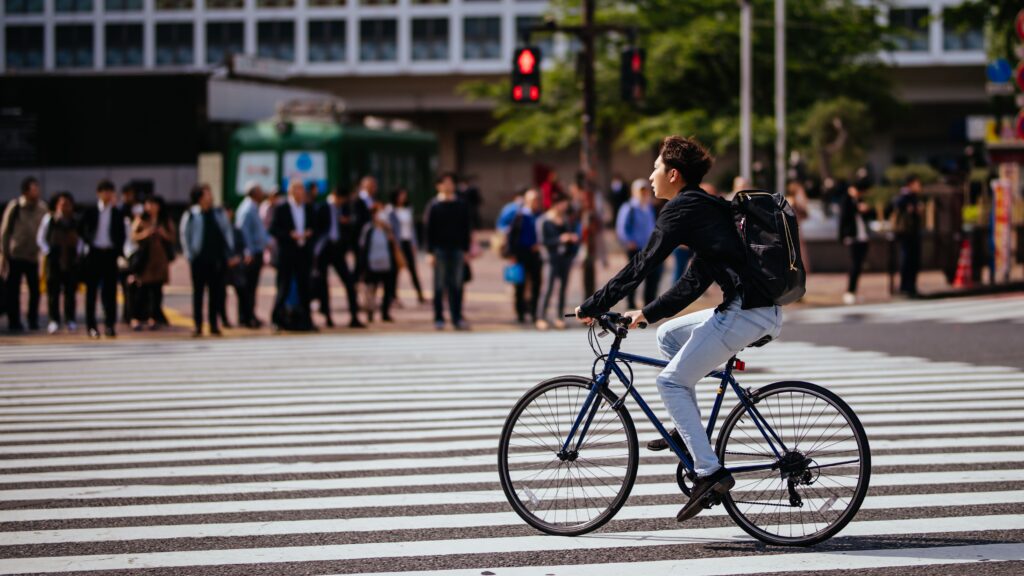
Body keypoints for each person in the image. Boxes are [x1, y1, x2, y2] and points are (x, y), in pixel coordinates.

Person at [575, 136, 782, 522]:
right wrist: (646, 313)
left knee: (669, 383)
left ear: (673, 174)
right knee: (668, 336)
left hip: (747, 312)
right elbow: (694, 282)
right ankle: (689, 431)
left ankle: (709, 472)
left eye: (655, 168)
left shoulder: (683, 208)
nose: (650, 175)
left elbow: (643, 263)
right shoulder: (704, 208)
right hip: (753, 308)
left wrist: (595, 304)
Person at [180, 184, 235, 337]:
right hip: (198, 259)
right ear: (199, 198)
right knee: (198, 292)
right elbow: (185, 235)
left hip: (216, 259)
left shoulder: (218, 213)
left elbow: (227, 231)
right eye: (206, 194)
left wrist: (229, 252)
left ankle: (213, 324)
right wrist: (189, 255)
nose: (210, 197)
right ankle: (198, 324)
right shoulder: (192, 214)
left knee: (215, 292)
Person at [424, 172, 472, 330]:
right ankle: (438, 318)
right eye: (444, 183)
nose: (448, 186)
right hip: (439, 250)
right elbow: (428, 230)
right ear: (438, 186)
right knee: (439, 285)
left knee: (457, 285)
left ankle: (457, 317)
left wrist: (466, 250)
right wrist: (429, 252)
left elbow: (466, 228)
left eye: (450, 183)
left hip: (457, 249)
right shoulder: (434, 205)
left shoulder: (461, 204)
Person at [80, 180, 126, 338]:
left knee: (110, 292)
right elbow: (81, 230)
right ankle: (91, 326)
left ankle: (109, 325)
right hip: (94, 253)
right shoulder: (91, 211)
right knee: (91, 292)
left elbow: (121, 235)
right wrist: (88, 242)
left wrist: (119, 253)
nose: (108, 195)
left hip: (110, 254)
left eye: (110, 192)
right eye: (105, 191)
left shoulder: (117, 213)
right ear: (99, 193)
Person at [313, 186, 365, 328]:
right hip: (324, 250)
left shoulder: (344, 208)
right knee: (323, 284)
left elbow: (352, 226)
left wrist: (346, 223)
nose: (342, 202)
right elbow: (316, 228)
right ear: (335, 195)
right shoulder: (322, 207)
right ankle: (327, 317)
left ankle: (354, 316)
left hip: (338, 249)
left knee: (349, 282)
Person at [0, 176, 47, 333]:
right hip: (16, 255)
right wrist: (4, 253)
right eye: (34, 189)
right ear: (26, 191)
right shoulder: (15, 207)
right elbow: (5, 231)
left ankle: (33, 320)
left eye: (37, 189)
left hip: (33, 255)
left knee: (35, 290)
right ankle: (14, 321)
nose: (37, 192)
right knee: (13, 290)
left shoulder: (42, 208)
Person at [270, 179, 315, 331]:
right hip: (287, 253)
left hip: (303, 252)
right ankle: (276, 319)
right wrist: (290, 235)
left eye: (301, 190)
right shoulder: (282, 208)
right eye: (296, 190)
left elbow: (316, 226)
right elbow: (273, 229)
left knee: (305, 288)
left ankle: (307, 320)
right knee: (283, 287)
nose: (300, 193)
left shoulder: (308, 208)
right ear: (290, 192)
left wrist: (309, 233)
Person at [37, 191, 82, 334]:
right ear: (57, 205)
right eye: (62, 204)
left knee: (70, 292)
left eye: (67, 204)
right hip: (54, 259)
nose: (65, 207)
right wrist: (48, 251)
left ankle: (70, 319)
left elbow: (81, 239)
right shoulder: (49, 219)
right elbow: (41, 238)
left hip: (71, 259)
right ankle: (54, 320)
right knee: (53, 291)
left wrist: (78, 252)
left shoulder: (75, 220)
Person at [129, 195, 175, 331]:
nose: (151, 207)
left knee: (157, 290)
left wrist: (163, 233)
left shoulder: (164, 220)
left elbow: (173, 237)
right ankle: (136, 317)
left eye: (153, 204)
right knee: (142, 290)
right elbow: (133, 236)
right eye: (148, 204)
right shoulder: (141, 219)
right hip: (145, 260)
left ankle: (154, 318)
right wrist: (147, 233)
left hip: (160, 260)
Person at [615, 178, 661, 309]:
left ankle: (649, 305)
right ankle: (631, 304)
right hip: (635, 248)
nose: (644, 193)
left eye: (646, 190)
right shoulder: (629, 207)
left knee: (652, 276)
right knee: (633, 277)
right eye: (641, 191)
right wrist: (629, 241)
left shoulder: (650, 207)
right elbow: (621, 227)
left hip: (650, 247)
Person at [537, 194, 579, 330]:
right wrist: (560, 239)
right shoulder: (545, 220)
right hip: (551, 258)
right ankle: (541, 317)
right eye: (563, 204)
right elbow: (543, 241)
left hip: (565, 258)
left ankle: (559, 317)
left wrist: (571, 240)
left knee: (563, 289)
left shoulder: (565, 220)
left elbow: (571, 235)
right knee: (548, 288)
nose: (564, 207)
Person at [358, 203, 400, 323]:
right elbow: (363, 248)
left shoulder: (387, 229)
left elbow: (394, 245)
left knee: (387, 289)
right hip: (372, 264)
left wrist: (390, 233)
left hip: (386, 263)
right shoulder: (368, 229)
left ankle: (385, 312)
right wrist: (363, 266)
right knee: (372, 289)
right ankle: (370, 311)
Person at [235, 180, 269, 328]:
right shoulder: (248, 208)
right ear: (254, 193)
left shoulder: (254, 207)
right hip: (251, 253)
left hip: (257, 251)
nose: (262, 193)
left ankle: (249, 315)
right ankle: (246, 317)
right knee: (248, 286)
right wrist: (248, 251)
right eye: (260, 191)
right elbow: (243, 232)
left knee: (251, 287)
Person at [507, 188, 543, 326]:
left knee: (536, 284)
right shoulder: (520, 216)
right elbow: (512, 236)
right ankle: (520, 313)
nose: (535, 202)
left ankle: (534, 312)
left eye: (537, 200)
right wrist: (512, 254)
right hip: (521, 253)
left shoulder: (541, 216)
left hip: (536, 254)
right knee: (520, 285)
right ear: (527, 201)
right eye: (533, 200)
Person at [387, 188, 426, 304]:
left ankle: (420, 295)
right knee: (395, 271)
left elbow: (411, 228)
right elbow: (389, 228)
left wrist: (414, 244)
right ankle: (393, 296)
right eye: (401, 195)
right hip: (397, 244)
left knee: (412, 269)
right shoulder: (390, 210)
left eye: (404, 195)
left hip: (407, 242)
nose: (403, 197)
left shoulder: (408, 209)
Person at [839, 183, 875, 305]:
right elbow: (844, 217)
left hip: (863, 237)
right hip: (852, 237)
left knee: (859, 265)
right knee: (855, 265)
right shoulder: (846, 200)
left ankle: (854, 291)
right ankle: (850, 292)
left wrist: (866, 209)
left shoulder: (860, 200)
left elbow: (869, 215)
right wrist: (842, 237)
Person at [890, 175, 924, 297]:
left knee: (914, 261)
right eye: (917, 184)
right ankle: (905, 286)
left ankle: (911, 286)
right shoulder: (903, 196)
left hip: (913, 233)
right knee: (907, 260)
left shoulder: (914, 197)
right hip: (906, 233)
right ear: (911, 184)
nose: (919, 186)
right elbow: (896, 204)